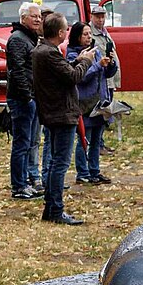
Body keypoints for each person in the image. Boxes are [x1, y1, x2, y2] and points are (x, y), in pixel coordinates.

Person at [31, 13, 95, 225]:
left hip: (53, 112)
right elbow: (73, 77)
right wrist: (85, 62)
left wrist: (77, 60)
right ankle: (55, 209)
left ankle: (51, 208)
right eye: (66, 29)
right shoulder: (49, 53)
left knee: (55, 162)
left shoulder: (42, 51)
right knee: (60, 163)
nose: (68, 32)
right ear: (59, 33)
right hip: (61, 114)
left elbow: (64, 71)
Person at [68, 21, 118, 185]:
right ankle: (82, 172)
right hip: (84, 104)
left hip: (99, 103)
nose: (89, 37)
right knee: (85, 139)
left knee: (97, 139)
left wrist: (110, 64)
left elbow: (106, 73)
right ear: (77, 36)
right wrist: (97, 65)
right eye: (85, 34)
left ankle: (94, 171)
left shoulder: (95, 50)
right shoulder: (72, 55)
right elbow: (80, 76)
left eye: (90, 34)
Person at [6, 1, 43, 199]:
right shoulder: (18, 39)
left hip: (32, 98)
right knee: (21, 144)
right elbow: (17, 71)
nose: (38, 19)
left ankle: (29, 179)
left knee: (31, 142)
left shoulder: (30, 38)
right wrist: (28, 97)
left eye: (39, 16)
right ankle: (19, 186)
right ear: (23, 18)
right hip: (22, 100)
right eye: (34, 16)